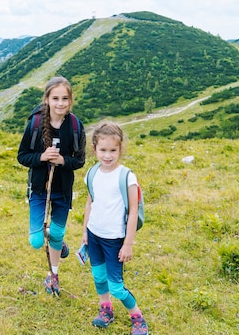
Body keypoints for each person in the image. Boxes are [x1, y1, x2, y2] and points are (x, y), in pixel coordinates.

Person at [17, 76, 86, 295]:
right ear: (47, 99)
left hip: (62, 190)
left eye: (65, 98)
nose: (60, 103)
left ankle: (53, 275)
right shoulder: (36, 123)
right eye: (55, 98)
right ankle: (59, 243)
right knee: (37, 241)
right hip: (39, 189)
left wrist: (63, 161)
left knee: (56, 234)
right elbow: (22, 156)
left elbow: (80, 160)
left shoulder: (75, 126)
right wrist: (42, 157)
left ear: (71, 100)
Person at [81, 122, 148, 334]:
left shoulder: (127, 177)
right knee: (99, 277)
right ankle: (105, 309)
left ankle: (137, 316)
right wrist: (85, 231)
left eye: (113, 150)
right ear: (94, 149)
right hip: (94, 235)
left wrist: (128, 244)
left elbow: (133, 212)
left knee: (116, 285)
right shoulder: (92, 173)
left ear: (120, 150)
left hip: (114, 239)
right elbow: (90, 203)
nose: (107, 155)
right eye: (103, 150)